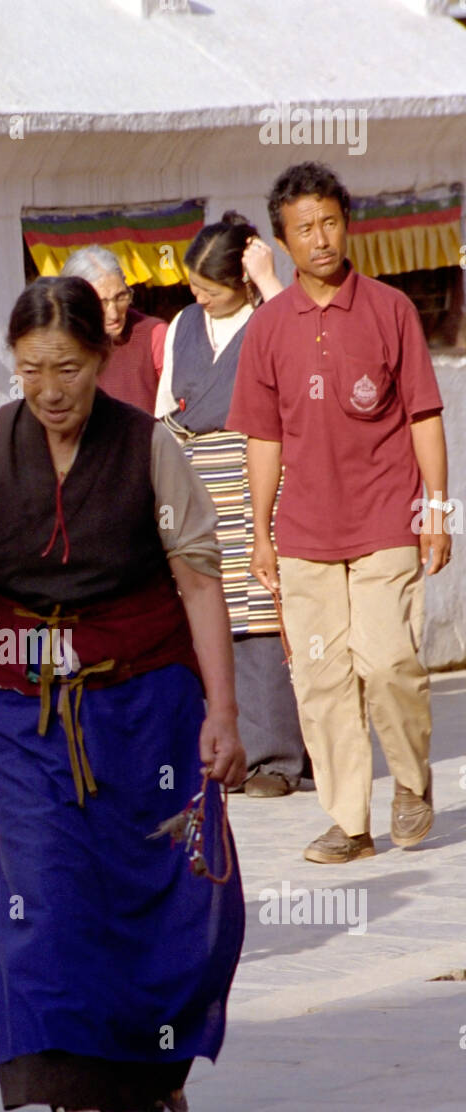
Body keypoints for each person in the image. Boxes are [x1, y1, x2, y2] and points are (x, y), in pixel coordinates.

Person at [0, 277, 246, 1112]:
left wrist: (224, 710)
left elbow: (200, 581)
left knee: (159, 897)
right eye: (30, 371)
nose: (49, 389)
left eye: (67, 367)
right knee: (46, 891)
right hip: (27, 714)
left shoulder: (149, 450)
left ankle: (155, 1086)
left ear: (101, 359)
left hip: (147, 707)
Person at [226, 162, 451, 863]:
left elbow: (424, 416)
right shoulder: (266, 329)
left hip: (386, 518)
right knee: (321, 679)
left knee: (387, 664)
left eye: (328, 222)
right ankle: (349, 822)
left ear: (346, 224)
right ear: (283, 242)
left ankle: (412, 783)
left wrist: (437, 510)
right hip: (303, 534)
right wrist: (259, 533)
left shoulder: (391, 311)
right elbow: (262, 437)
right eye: (303, 229)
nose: (319, 239)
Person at [155, 211, 307, 798]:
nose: (199, 298)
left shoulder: (273, 317)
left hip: (253, 473)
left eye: (210, 289)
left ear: (241, 281)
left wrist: (270, 281)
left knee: (257, 611)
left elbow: (297, 362)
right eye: (194, 286)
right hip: (193, 476)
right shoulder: (183, 324)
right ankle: (220, 752)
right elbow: (168, 403)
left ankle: (275, 757)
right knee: (203, 606)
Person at [60, 245, 167, 413]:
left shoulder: (154, 335)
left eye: (120, 297)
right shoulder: (58, 343)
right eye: (101, 302)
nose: (114, 314)